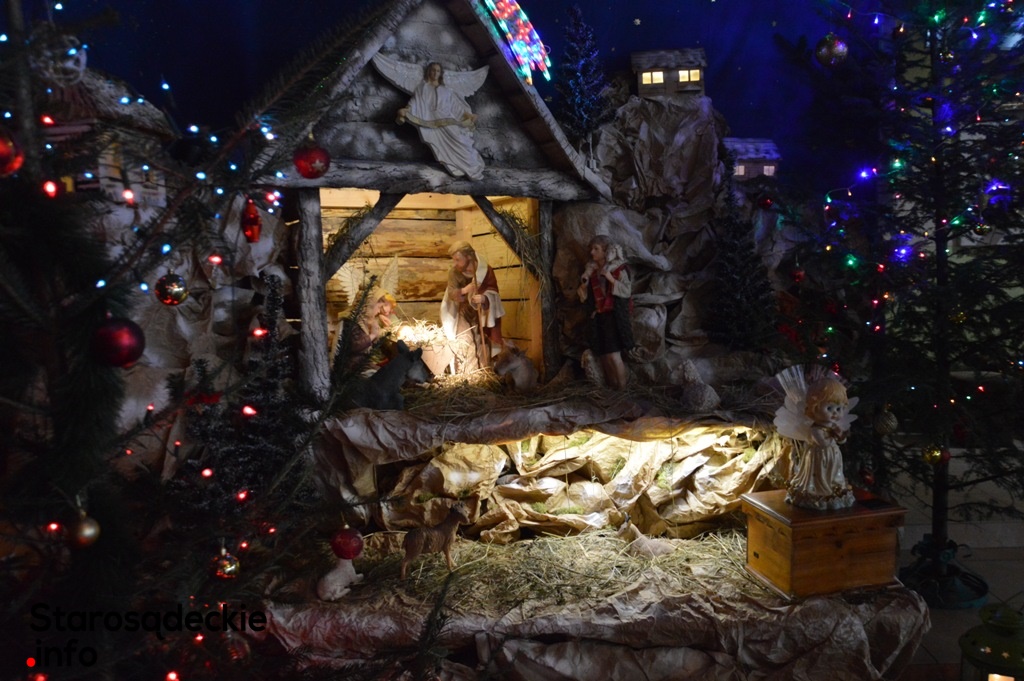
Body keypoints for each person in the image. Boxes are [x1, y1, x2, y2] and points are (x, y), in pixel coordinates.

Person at [397, 62, 485, 180]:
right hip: (432, 122)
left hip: (449, 120)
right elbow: (415, 102)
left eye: (438, 71)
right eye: (433, 70)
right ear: (429, 72)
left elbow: (456, 108)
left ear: (441, 73)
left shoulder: (446, 90)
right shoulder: (422, 88)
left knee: (460, 140)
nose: (435, 73)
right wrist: (406, 110)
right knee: (442, 147)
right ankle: (454, 166)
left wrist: (469, 115)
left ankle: (471, 165)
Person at [782, 375, 856, 510]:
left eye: (839, 409)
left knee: (833, 473)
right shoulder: (816, 429)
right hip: (819, 457)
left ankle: (835, 488)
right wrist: (834, 434)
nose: (834, 413)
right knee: (820, 474)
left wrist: (841, 437)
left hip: (833, 456)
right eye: (829, 408)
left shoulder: (833, 426)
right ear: (815, 408)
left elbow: (842, 441)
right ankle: (819, 491)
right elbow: (823, 444)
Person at [577, 234, 634, 390]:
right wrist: (584, 287)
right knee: (604, 355)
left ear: (605, 251)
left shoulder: (618, 269)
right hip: (599, 316)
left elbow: (626, 290)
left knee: (614, 355)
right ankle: (612, 387)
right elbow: (586, 297)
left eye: (596, 249)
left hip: (613, 317)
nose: (592, 253)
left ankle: (622, 389)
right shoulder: (592, 272)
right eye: (592, 249)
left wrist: (610, 279)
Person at [440, 240, 504, 368]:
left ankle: (484, 368)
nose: (455, 263)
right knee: (465, 341)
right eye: (454, 260)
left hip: (482, 315)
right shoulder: (454, 273)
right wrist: (465, 290)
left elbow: (494, 292)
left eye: (458, 260)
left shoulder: (485, 271)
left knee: (484, 342)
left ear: (469, 256)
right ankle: (469, 371)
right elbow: (451, 293)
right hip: (463, 313)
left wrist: (484, 298)